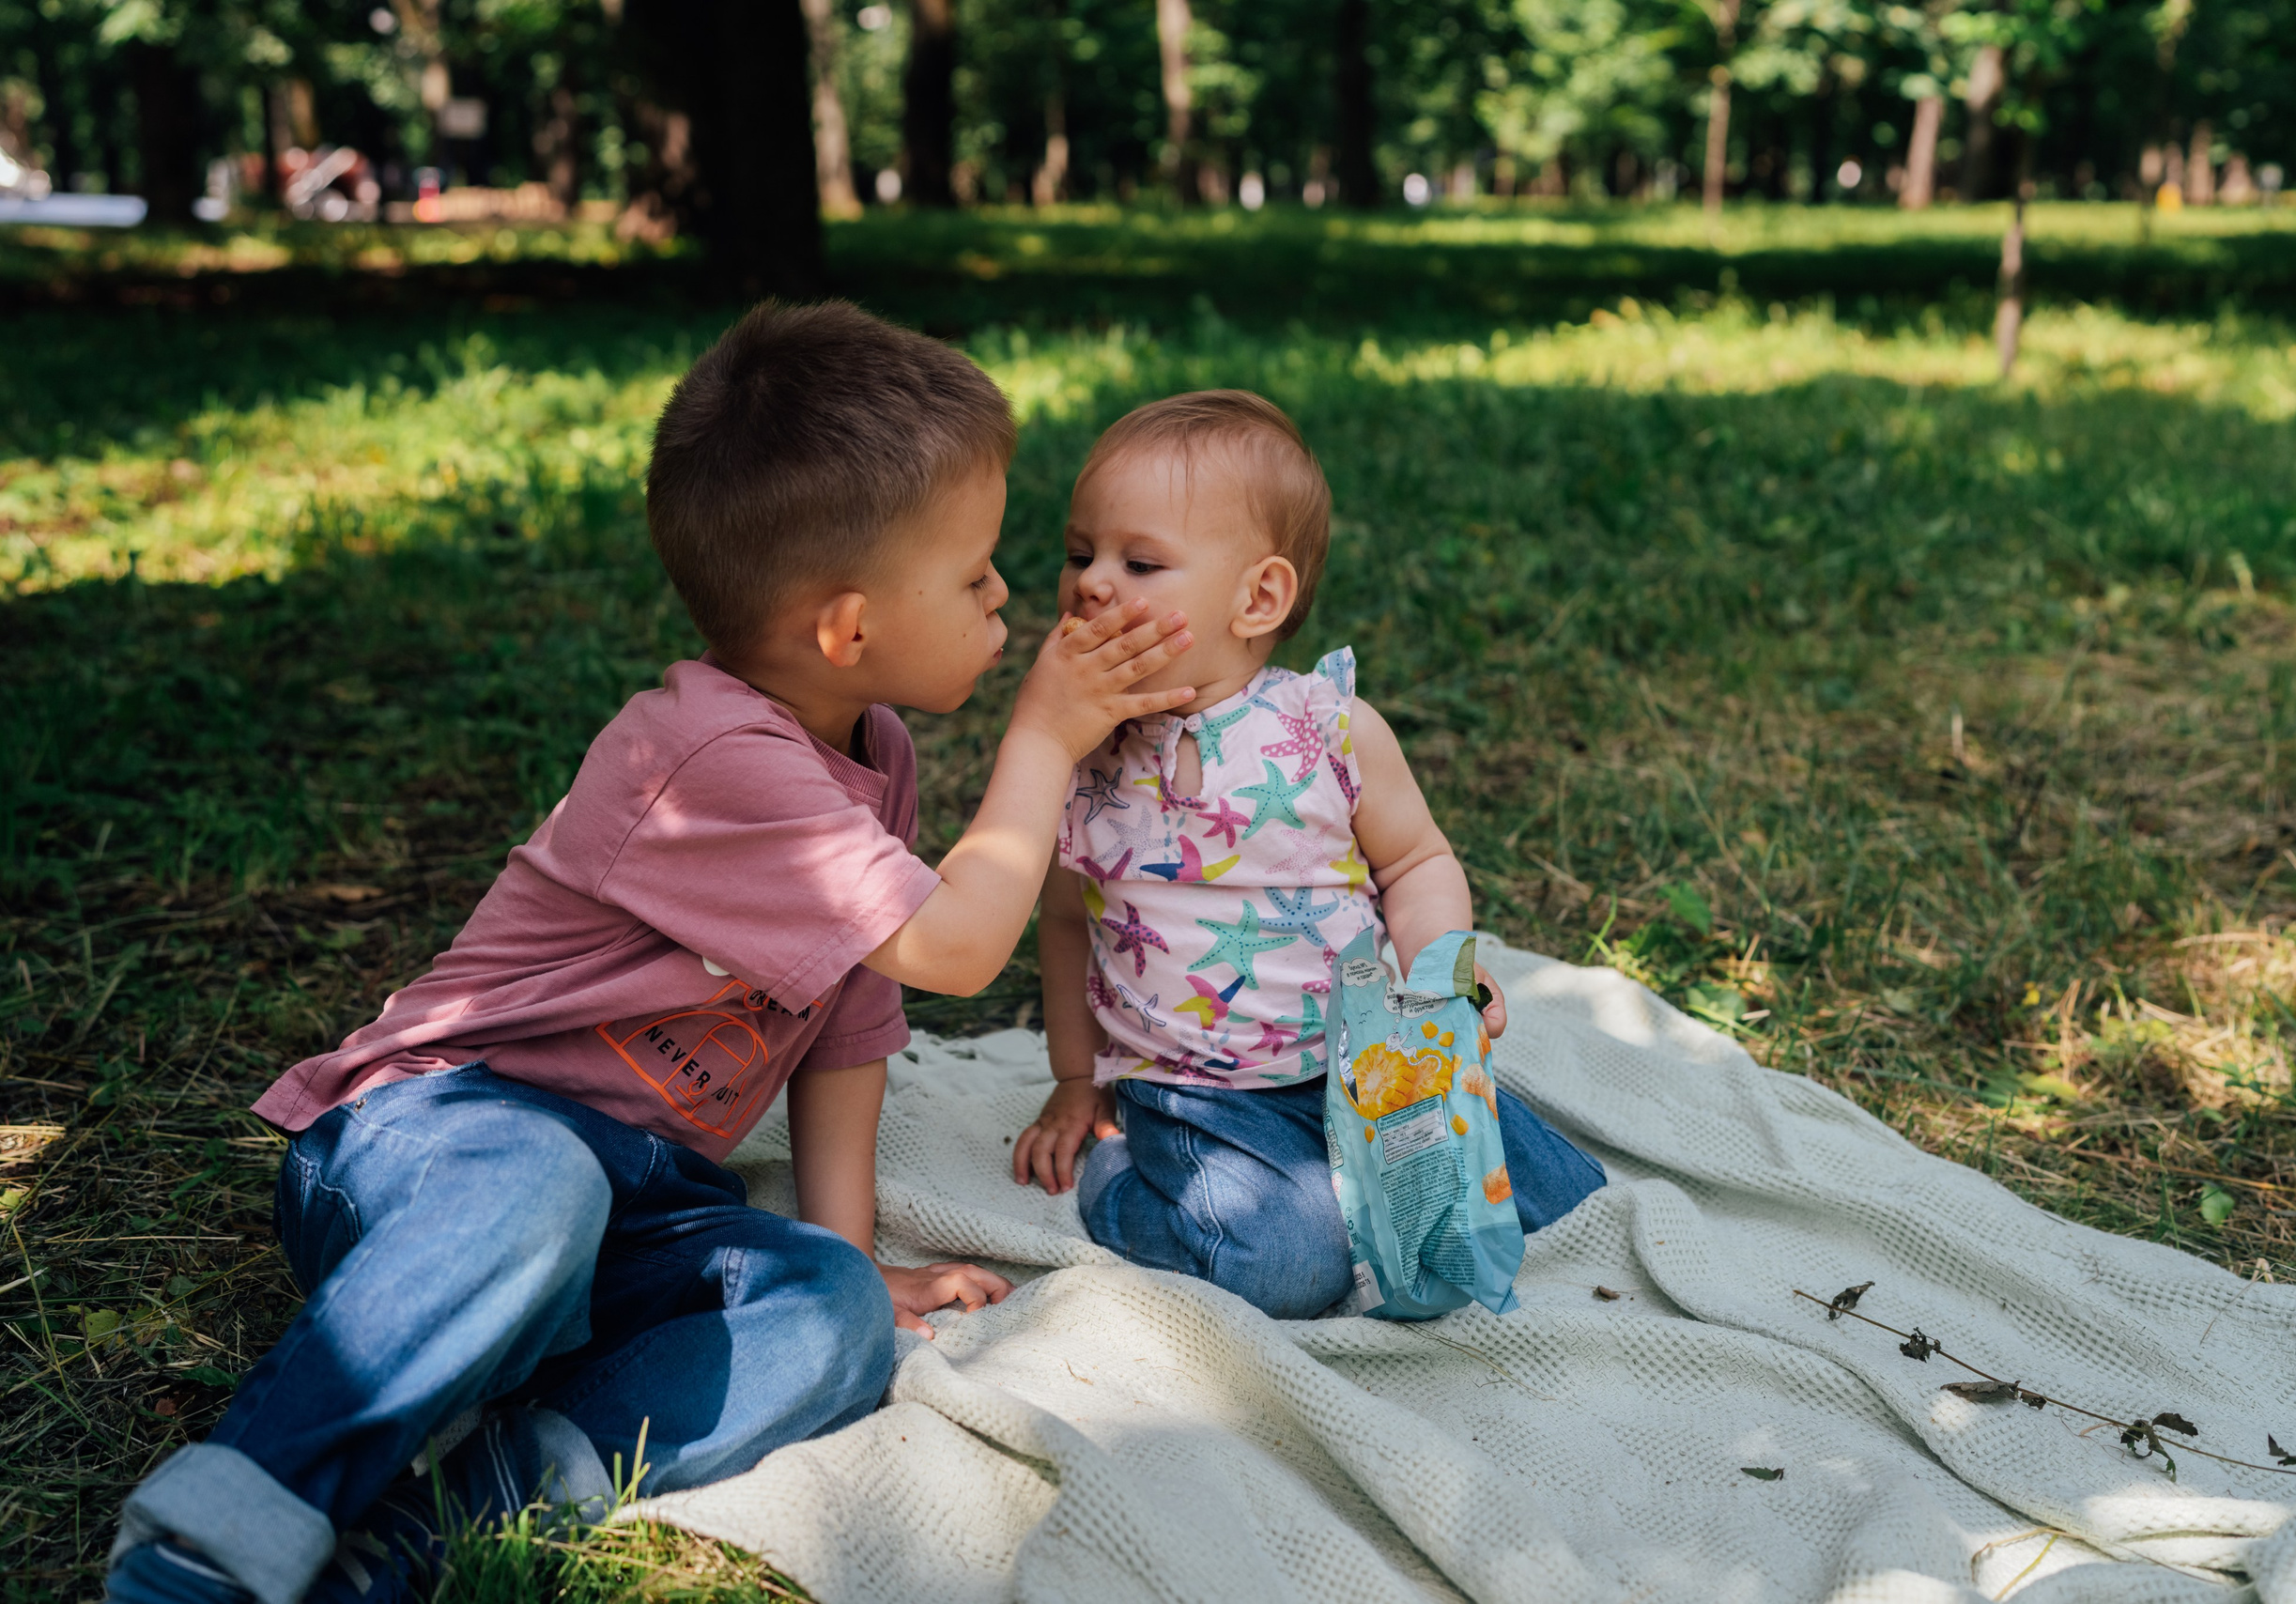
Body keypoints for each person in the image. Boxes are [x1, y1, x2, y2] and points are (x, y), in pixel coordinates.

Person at [105, 302, 1197, 1604]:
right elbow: (957, 948)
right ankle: (215, 1539)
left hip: (636, 1201)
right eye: (974, 576)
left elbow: (848, 1015)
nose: (1007, 592)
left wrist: (849, 1251)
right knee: (541, 1183)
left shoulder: (875, 750)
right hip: (437, 1148)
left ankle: (443, 1522)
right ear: (849, 629)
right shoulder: (709, 759)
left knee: (830, 1316)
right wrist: (1044, 741)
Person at [1010, 391, 1607, 1319]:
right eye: (1079, 554)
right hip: (1194, 1093)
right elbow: (1059, 918)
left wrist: (1439, 966)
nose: (1090, 583)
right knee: (1290, 1267)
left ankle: (1349, 1169)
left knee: (1561, 1202)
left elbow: (1415, 863)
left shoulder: (1329, 729)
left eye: (1139, 562)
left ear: (1258, 598)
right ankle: (1123, 1183)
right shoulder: (1081, 758)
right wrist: (1072, 1083)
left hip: (1364, 1053)